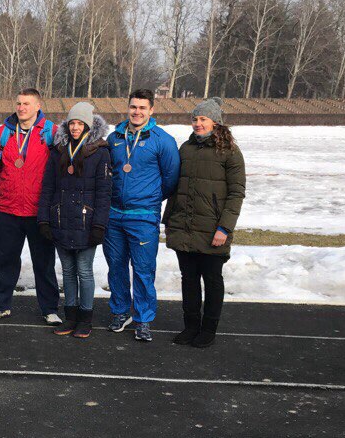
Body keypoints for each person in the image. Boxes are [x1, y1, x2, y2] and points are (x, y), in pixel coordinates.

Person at [164, 97, 246, 348]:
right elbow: (176, 186)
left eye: (203, 119)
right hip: (184, 227)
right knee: (188, 279)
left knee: (211, 280)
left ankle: (208, 329)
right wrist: (170, 220)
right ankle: (191, 326)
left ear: (216, 122)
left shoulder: (230, 152)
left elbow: (236, 193)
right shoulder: (186, 149)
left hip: (212, 229)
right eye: (195, 119)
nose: (197, 124)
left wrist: (224, 227)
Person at [104, 89, 180, 342]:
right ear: (128, 108)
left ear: (151, 110)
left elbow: (170, 180)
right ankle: (120, 311)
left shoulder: (163, 140)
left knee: (143, 270)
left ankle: (143, 318)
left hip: (144, 215)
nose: (137, 112)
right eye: (133, 107)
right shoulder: (114, 137)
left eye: (142, 108)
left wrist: (149, 199)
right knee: (115, 267)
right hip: (114, 215)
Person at [37, 103, 112, 338]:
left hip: (86, 223)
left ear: (88, 126)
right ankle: (70, 317)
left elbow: (104, 192)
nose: (76, 127)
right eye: (72, 123)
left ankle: (85, 319)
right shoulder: (58, 150)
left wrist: (99, 225)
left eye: (80, 123)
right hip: (61, 220)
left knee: (84, 271)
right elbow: (48, 187)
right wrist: (44, 220)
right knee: (67, 272)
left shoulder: (100, 152)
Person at [0, 88, 60, 324]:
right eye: (18, 103)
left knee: (44, 262)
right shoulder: (1, 134)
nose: (21, 108)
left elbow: (58, 168)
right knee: (5, 260)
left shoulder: (52, 133)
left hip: (40, 211)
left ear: (38, 106)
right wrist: (10, 185)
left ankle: (49, 308)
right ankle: (1, 304)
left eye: (27, 104)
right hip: (8, 208)